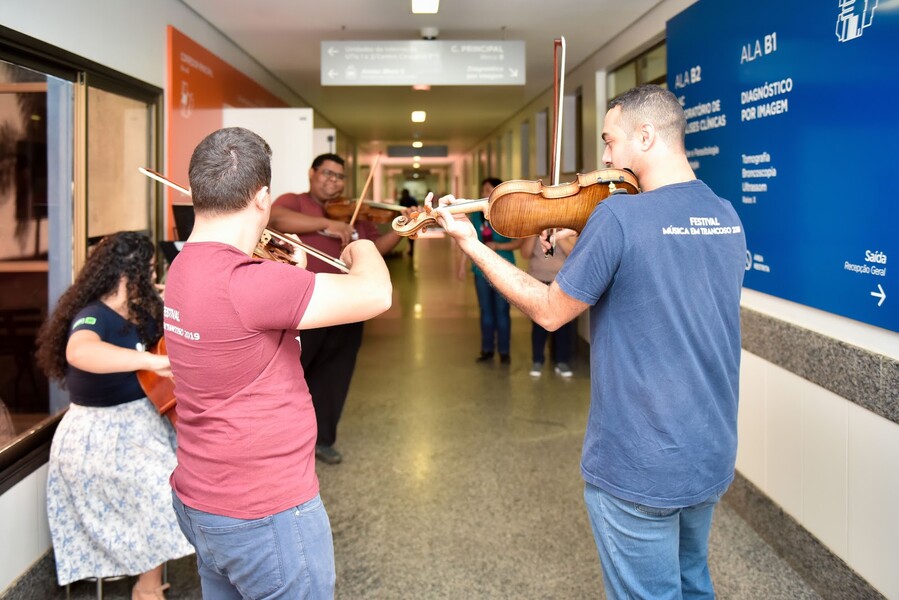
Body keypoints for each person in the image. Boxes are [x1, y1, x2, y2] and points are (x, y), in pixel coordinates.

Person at [435, 84, 746, 599]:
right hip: (709, 449)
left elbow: (551, 313)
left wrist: (474, 246)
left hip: (640, 459)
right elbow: (652, 274)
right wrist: (582, 244)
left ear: (645, 136)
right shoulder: (725, 216)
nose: (603, 157)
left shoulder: (621, 216)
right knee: (693, 582)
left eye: (610, 140)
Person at [163, 127, 392, 599]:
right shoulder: (247, 282)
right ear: (263, 197)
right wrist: (362, 246)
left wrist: (292, 271)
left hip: (201, 497)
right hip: (264, 510)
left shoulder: (183, 266)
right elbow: (376, 293)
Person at [34, 231, 194, 600]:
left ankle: (155, 575)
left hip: (142, 423)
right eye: (150, 270)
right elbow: (81, 352)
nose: (154, 277)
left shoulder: (140, 311)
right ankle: (147, 588)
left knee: (190, 478)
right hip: (98, 435)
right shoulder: (93, 315)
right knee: (159, 488)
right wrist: (151, 360)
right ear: (130, 272)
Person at [268, 153, 408, 464]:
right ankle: (281, 441)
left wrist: (401, 231)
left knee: (335, 374)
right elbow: (276, 219)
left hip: (347, 304)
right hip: (304, 303)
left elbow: (376, 250)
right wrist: (328, 223)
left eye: (340, 176)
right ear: (312, 173)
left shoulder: (356, 214)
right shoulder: (295, 201)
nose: (334, 181)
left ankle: (323, 439)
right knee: (293, 372)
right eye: (328, 174)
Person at [459, 177, 521, 365]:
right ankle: (487, 349)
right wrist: (462, 265)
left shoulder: (508, 214)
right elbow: (467, 240)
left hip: (505, 268)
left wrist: (498, 246)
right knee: (486, 311)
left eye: (489, 189)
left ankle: (504, 351)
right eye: (483, 189)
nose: (485, 193)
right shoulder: (476, 214)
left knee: (502, 311)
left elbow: (519, 242)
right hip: (481, 269)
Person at [520, 233, 577, 378]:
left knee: (564, 324)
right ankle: (537, 360)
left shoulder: (567, 229)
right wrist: (535, 233)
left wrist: (558, 235)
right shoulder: (534, 229)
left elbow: (574, 252)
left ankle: (562, 361)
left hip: (562, 282)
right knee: (538, 325)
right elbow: (524, 253)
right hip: (538, 281)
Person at [399, 188, 418, 256]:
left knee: (412, 236)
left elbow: (416, 207)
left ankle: (412, 250)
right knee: (408, 235)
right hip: (405, 219)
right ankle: (411, 250)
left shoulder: (411, 199)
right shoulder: (402, 199)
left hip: (412, 219)